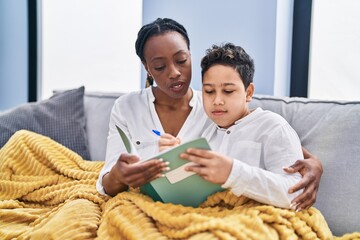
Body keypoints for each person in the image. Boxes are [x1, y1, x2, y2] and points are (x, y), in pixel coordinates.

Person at [96, 18, 323, 211]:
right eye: (159, 66)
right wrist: (159, 165)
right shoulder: (129, 108)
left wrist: (314, 162)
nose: (175, 73)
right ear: (147, 68)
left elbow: (264, 134)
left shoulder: (218, 113)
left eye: (182, 61)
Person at [159, 42, 304, 209]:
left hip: (251, 217)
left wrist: (233, 173)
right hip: (208, 214)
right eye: (209, 91)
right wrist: (170, 163)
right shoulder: (205, 132)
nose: (217, 101)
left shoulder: (272, 127)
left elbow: (294, 192)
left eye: (228, 91)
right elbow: (186, 191)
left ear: (248, 93)